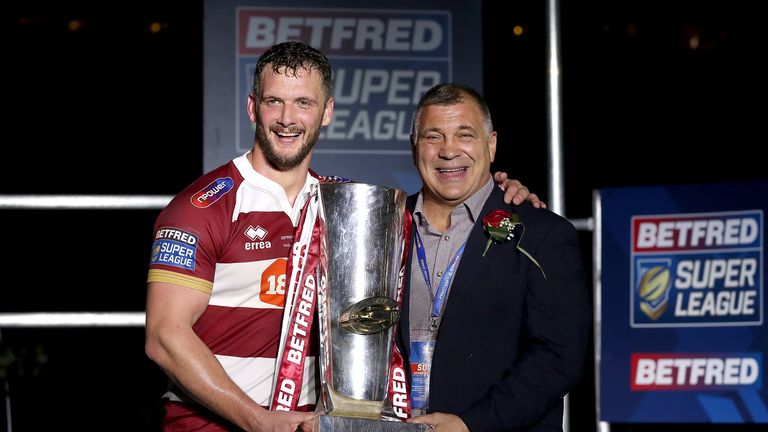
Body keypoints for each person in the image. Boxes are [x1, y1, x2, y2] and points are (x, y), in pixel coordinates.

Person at [144, 42, 541, 431]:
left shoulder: (344, 205)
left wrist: (500, 194)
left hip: (312, 425)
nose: (287, 118)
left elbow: (433, 214)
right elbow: (164, 337)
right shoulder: (203, 206)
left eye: (304, 103)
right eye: (273, 102)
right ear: (252, 107)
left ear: (327, 111)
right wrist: (259, 420)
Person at [399, 83, 590, 432]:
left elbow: (558, 357)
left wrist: (471, 425)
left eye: (464, 135)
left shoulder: (543, 234)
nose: (448, 151)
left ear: (491, 145)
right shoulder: (384, 226)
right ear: (415, 148)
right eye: (433, 137)